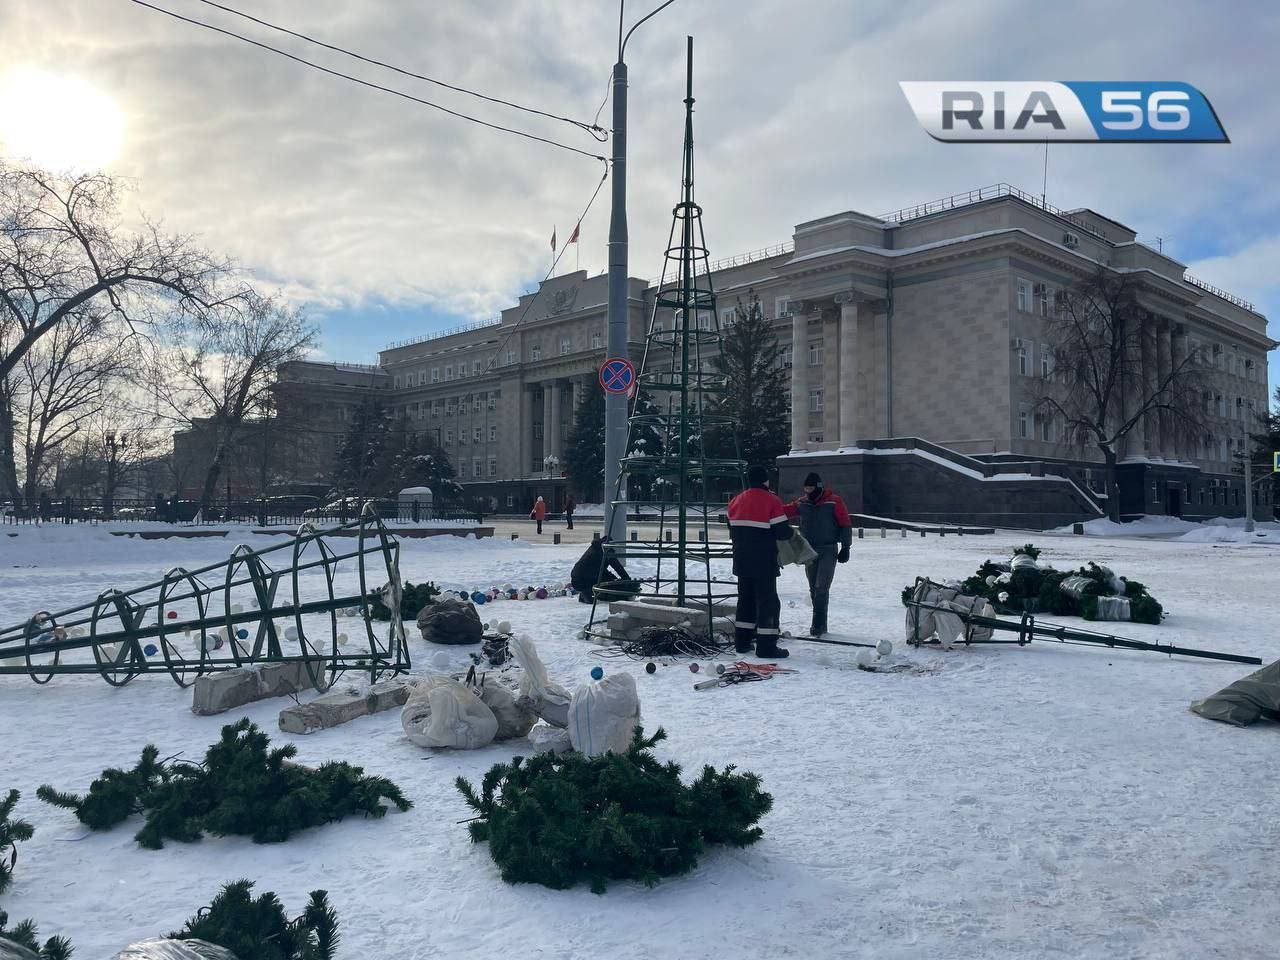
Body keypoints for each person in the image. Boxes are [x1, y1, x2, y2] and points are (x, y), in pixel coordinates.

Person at [726, 465, 792, 658]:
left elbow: (731, 528)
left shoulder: (735, 500)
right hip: (764, 560)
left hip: (741, 559)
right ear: (765, 481)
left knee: (745, 600)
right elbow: (782, 531)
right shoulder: (771, 500)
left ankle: (742, 642)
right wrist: (791, 533)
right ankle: (766, 645)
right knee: (768, 602)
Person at [784, 471, 853, 638]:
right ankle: (819, 622)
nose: (808, 492)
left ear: (819, 487)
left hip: (828, 549)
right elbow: (783, 511)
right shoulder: (802, 503)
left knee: (822, 587)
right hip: (808, 550)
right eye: (805, 488)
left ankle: (818, 625)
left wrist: (846, 547)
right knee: (813, 587)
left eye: (811, 488)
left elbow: (845, 523)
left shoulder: (834, 502)